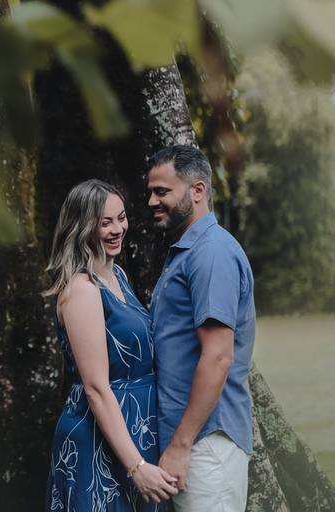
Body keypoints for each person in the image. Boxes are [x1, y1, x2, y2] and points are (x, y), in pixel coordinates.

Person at [43, 179, 178, 511]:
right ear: (82, 227)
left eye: (121, 218)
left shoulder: (118, 276)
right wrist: (136, 466)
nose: (118, 229)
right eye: (105, 222)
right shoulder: (82, 289)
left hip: (137, 431)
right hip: (100, 439)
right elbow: (96, 388)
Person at [146, 145, 255, 511]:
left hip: (207, 443)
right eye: (150, 192)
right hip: (190, 441)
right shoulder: (188, 250)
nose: (151, 201)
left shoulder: (211, 253)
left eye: (162, 191)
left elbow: (218, 356)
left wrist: (182, 444)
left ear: (197, 190)